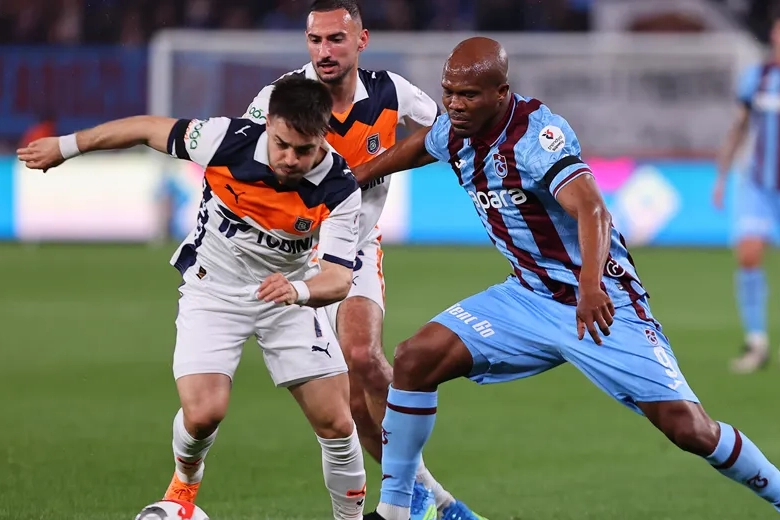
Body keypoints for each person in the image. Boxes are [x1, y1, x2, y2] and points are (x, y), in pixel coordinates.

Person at [352, 37, 780, 520]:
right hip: (526, 296)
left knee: (690, 429)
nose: (454, 104)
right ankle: (398, 509)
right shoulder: (457, 128)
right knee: (415, 358)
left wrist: (591, 287)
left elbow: (593, 209)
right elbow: (421, 145)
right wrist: (358, 175)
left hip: (599, 304)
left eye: (467, 95)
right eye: (448, 92)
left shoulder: (538, 136)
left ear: (500, 93)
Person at [18, 76, 369, 520]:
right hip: (213, 288)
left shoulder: (339, 187)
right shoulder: (226, 140)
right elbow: (146, 128)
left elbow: (337, 278)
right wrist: (67, 146)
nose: (289, 159)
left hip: (288, 298)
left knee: (337, 424)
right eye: (281, 144)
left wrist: (298, 291)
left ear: (323, 137)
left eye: (304, 150)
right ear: (269, 124)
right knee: (204, 414)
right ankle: (184, 483)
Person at [243, 2, 484, 518]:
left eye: (336, 39)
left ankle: (415, 497)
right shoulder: (280, 98)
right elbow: (238, 160)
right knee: (349, 403)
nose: (324, 51)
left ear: (362, 40)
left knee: (362, 356)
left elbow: (448, 129)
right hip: (291, 256)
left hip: (353, 248)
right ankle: (434, 499)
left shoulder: (392, 93)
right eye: (315, 40)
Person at [713, 8, 780, 374]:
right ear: (773, 35)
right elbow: (739, 127)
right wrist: (722, 177)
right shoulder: (757, 77)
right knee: (749, 256)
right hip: (758, 185)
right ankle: (757, 342)